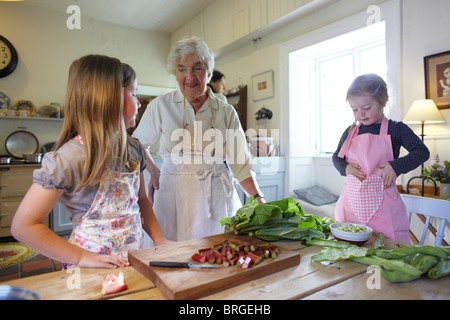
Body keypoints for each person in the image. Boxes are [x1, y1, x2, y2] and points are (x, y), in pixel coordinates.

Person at [11, 55, 170, 269]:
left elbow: (141, 201)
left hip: (131, 260)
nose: (139, 101)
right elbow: (24, 226)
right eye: (133, 93)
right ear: (109, 98)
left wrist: (160, 240)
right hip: (88, 271)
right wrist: (82, 258)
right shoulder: (70, 158)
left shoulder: (134, 149)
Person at [133, 37, 264, 241]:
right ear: (175, 73)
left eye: (197, 68)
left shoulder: (226, 112)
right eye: (181, 69)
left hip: (216, 196)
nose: (189, 77)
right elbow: (137, 145)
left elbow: (241, 164)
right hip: (172, 196)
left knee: (217, 256)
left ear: (209, 73)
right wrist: (153, 170)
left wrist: (258, 198)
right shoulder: (161, 105)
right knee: (171, 258)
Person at [332, 73, 430, 242]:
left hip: (384, 207)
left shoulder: (396, 129)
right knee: (350, 247)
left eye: (366, 108)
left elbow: (421, 152)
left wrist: (396, 166)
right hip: (351, 205)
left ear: (383, 101)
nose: (360, 114)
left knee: (387, 248)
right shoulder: (350, 131)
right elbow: (336, 157)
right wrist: (345, 168)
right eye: (355, 109)